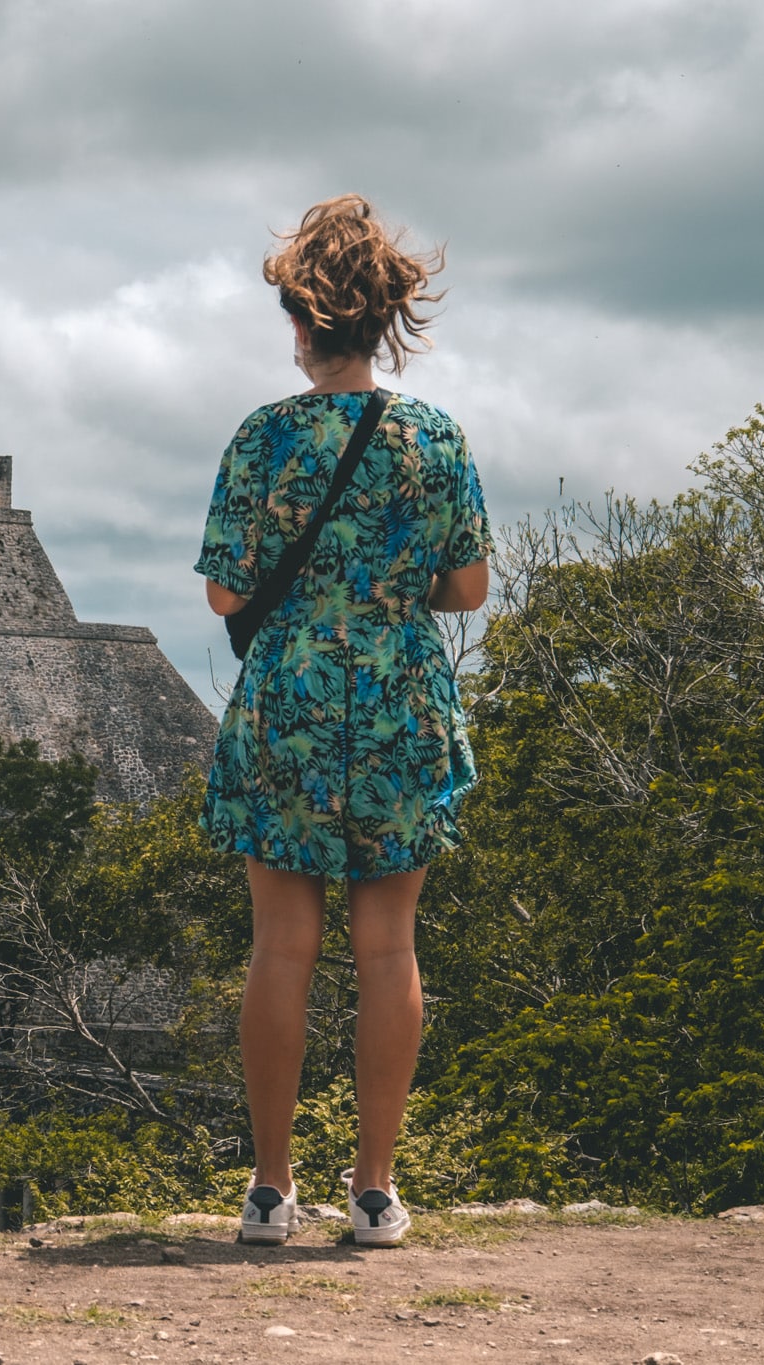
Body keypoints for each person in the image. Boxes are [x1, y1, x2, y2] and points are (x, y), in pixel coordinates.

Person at [193, 194, 491, 1248]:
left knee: (281, 948)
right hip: (401, 697)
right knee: (386, 947)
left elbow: (226, 598)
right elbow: (465, 590)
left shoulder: (264, 437)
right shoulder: (432, 436)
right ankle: (372, 1190)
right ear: (384, 322)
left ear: (299, 325)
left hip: (288, 702)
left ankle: (270, 1190)